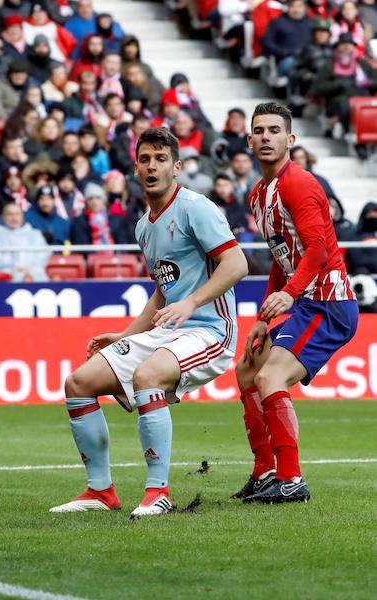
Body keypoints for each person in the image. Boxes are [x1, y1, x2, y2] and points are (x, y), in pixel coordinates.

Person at [49, 127, 247, 516]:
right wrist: (124, 336)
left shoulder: (197, 208)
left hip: (211, 331)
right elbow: (162, 291)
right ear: (135, 168)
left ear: (176, 166)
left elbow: (237, 263)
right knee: (78, 383)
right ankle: (100, 492)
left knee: (147, 376)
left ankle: (159, 492)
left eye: (160, 159)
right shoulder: (144, 226)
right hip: (169, 330)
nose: (152, 166)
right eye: (145, 159)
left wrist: (190, 303)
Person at [233, 102, 358, 504]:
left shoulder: (297, 183)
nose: (266, 137)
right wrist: (263, 317)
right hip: (303, 300)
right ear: (249, 140)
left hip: (328, 302)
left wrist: (288, 295)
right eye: (259, 131)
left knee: (270, 377)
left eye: (274, 130)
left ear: (290, 139)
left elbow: (318, 250)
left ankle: (291, 480)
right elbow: (280, 257)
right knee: (247, 370)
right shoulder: (259, 194)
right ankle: (265, 470)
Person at [0, 202, 51, 281]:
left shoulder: (35, 234)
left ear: (22, 217)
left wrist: (27, 267)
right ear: (3, 217)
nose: (14, 218)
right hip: (5, 274)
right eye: (10, 214)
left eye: (17, 214)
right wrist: (16, 265)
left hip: (33, 273)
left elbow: (43, 256)